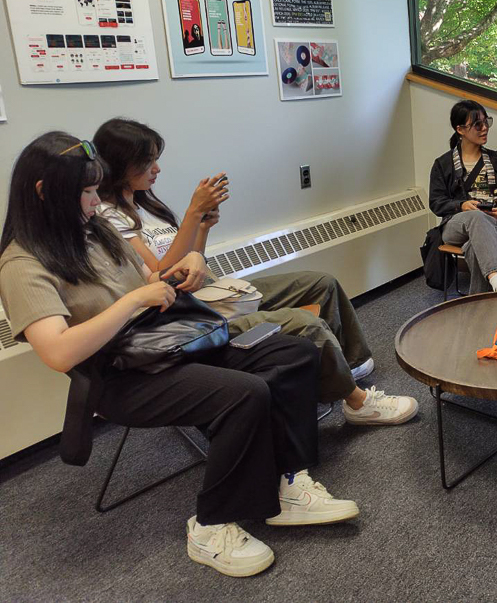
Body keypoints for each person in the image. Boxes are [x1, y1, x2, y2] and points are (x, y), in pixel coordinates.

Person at [0, 133, 359, 577]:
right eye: (87, 192)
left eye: (95, 189)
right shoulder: (23, 264)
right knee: (244, 393)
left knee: (295, 354)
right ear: (43, 191)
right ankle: (210, 526)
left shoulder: (97, 230)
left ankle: (286, 484)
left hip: (170, 344)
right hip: (121, 378)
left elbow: (150, 279)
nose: (95, 200)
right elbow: (57, 352)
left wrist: (187, 265)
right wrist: (133, 301)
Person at [93, 118, 416, 426]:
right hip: (186, 316)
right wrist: (192, 213)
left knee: (321, 283)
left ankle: (347, 368)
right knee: (304, 323)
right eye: (148, 161)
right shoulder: (109, 217)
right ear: (120, 163)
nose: (157, 169)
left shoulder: (145, 205)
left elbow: (191, 262)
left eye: (156, 159)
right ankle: (357, 403)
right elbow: (162, 276)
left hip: (206, 291)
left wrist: (202, 228)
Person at [429, 100, 497, 294]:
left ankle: (483, 300)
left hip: (495, 224)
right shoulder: (443, 164)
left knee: (473, 247)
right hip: (455, 225)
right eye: (478, 124)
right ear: (460, 129)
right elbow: (436, 202)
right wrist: (461, 205)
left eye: (486, 122)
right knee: (476, 216)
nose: (484, 128)